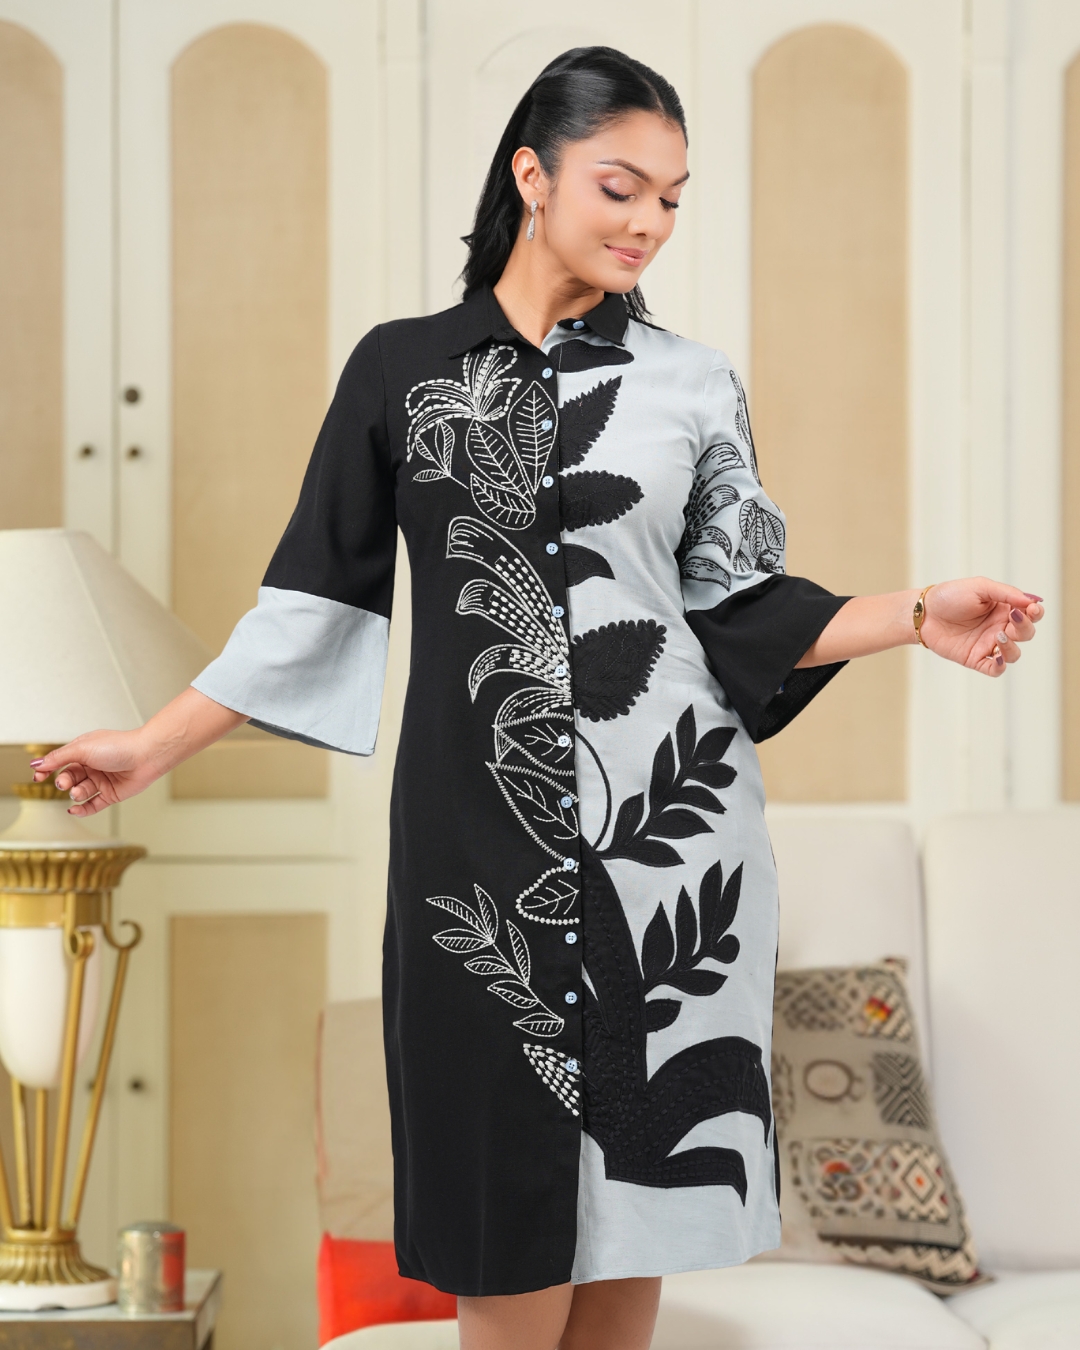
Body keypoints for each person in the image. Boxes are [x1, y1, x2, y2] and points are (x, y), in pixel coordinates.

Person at [32, 46, 1043, 1350]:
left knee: (635, 1232)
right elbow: (313, 603)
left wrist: (914, 613)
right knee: (499, 1234)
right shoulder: (401, 370)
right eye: (622, 186)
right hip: (475, 860)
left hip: (670, 853)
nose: (649, 223)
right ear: (533, 173)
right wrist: (151, 745)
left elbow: (743, 608)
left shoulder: (692, 383)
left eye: (672, 198)